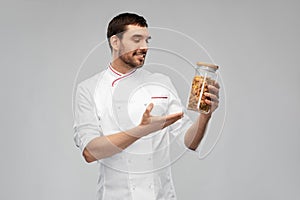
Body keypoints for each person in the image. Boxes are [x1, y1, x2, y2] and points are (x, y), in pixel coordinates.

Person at [73, 12, 220, 200]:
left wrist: (205, 115)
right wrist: (141, 131)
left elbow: (189, 141)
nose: (144, 47)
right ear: (115, 42)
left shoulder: (161, 82)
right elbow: (90, 151)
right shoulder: (89, 88)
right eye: (136, 40)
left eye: (146, 41)